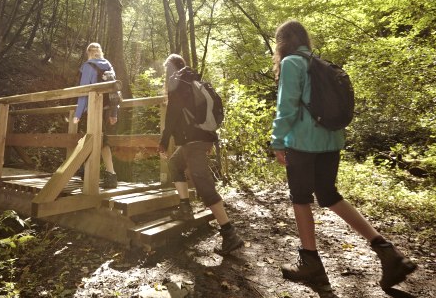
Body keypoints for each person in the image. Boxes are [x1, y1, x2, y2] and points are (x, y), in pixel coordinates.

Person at [271, 19, 417, 290]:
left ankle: (310, 262)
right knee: (328, 195)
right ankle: (386, 251)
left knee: (300, 198)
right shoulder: (320, 63)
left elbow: (287, 107)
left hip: (303, 143)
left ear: (282, 42)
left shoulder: (291, 63)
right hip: (330, 138)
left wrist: (277, 141)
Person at [158, 53, 244, 255]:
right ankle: (185, 206)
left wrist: (163, 141)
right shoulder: (194, 80)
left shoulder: (177, 81)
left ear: (170, 67)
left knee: (202, 182)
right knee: (175, 164)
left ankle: (229, 233)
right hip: (203, 137)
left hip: (193, 139)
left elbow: (172, 115)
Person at [74, 42, 118, 189]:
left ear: (89, 53)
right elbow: (115, 92)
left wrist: (78, 113)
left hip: (93, 109)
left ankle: (108, 174)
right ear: (100, 52)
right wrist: (114, 112)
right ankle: (88, 170)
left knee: (95, 140)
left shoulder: (88, 66)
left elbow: (83, 91)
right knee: (100, 140)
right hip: (106, 109)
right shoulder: (109, 66)